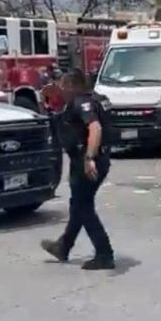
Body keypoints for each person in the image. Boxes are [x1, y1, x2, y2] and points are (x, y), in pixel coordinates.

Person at [41, 69, 116, 270]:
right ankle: (63, 246)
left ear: (73, 86)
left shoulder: (82, 103)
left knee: (83, 207)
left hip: (88, 160)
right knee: (78, 205)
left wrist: (89, 157)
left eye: (64, 85)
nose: (62, 89)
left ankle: (104, 253)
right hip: (95, 158)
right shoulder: (96, 99)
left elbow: (95, 127)